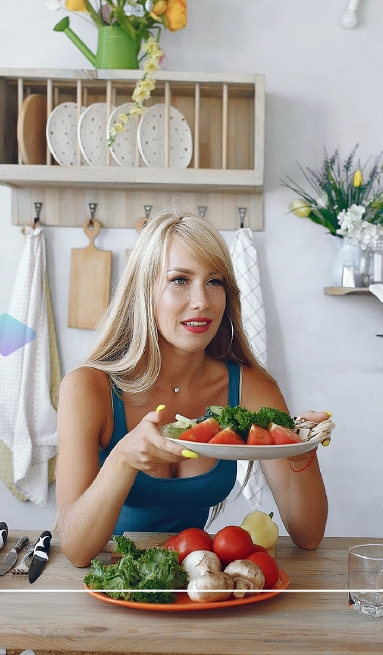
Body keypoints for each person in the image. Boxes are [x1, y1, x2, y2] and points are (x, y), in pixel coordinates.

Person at [56, 209, 329, 567]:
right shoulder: (87, 388)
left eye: (214, 281)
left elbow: (307, 536)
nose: (202, 300)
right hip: (110, 583)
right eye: (180, 280)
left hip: (200, 574)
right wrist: (122, 458)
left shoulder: (250, 386)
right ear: (145, 290)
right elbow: (76, 550)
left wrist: (302, 456)